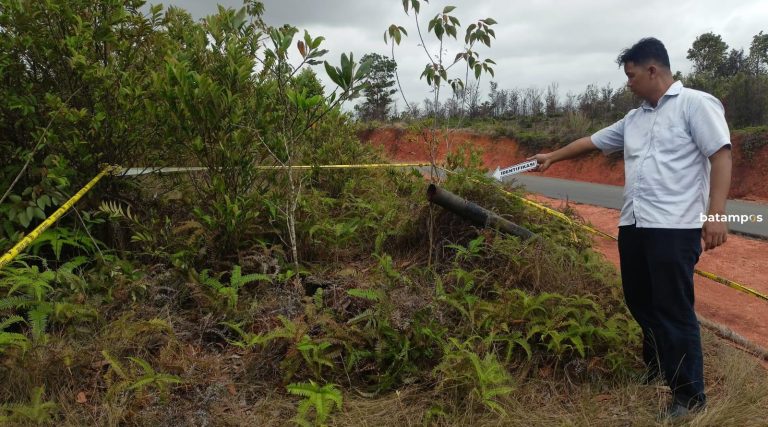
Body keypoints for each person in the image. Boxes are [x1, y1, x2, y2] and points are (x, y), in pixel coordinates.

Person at [529, 37, 732, 419]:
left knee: (674, 309)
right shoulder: (635, 119)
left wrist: (716, 213)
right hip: (635, 225)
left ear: (652, 70)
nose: (628, 83)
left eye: (632, 74)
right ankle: (658, 369)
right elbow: (592, 141)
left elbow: (721, 154)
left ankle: (689, 398)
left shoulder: (695, 104)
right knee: (640, 301)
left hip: (674, 228)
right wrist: (552, 157)